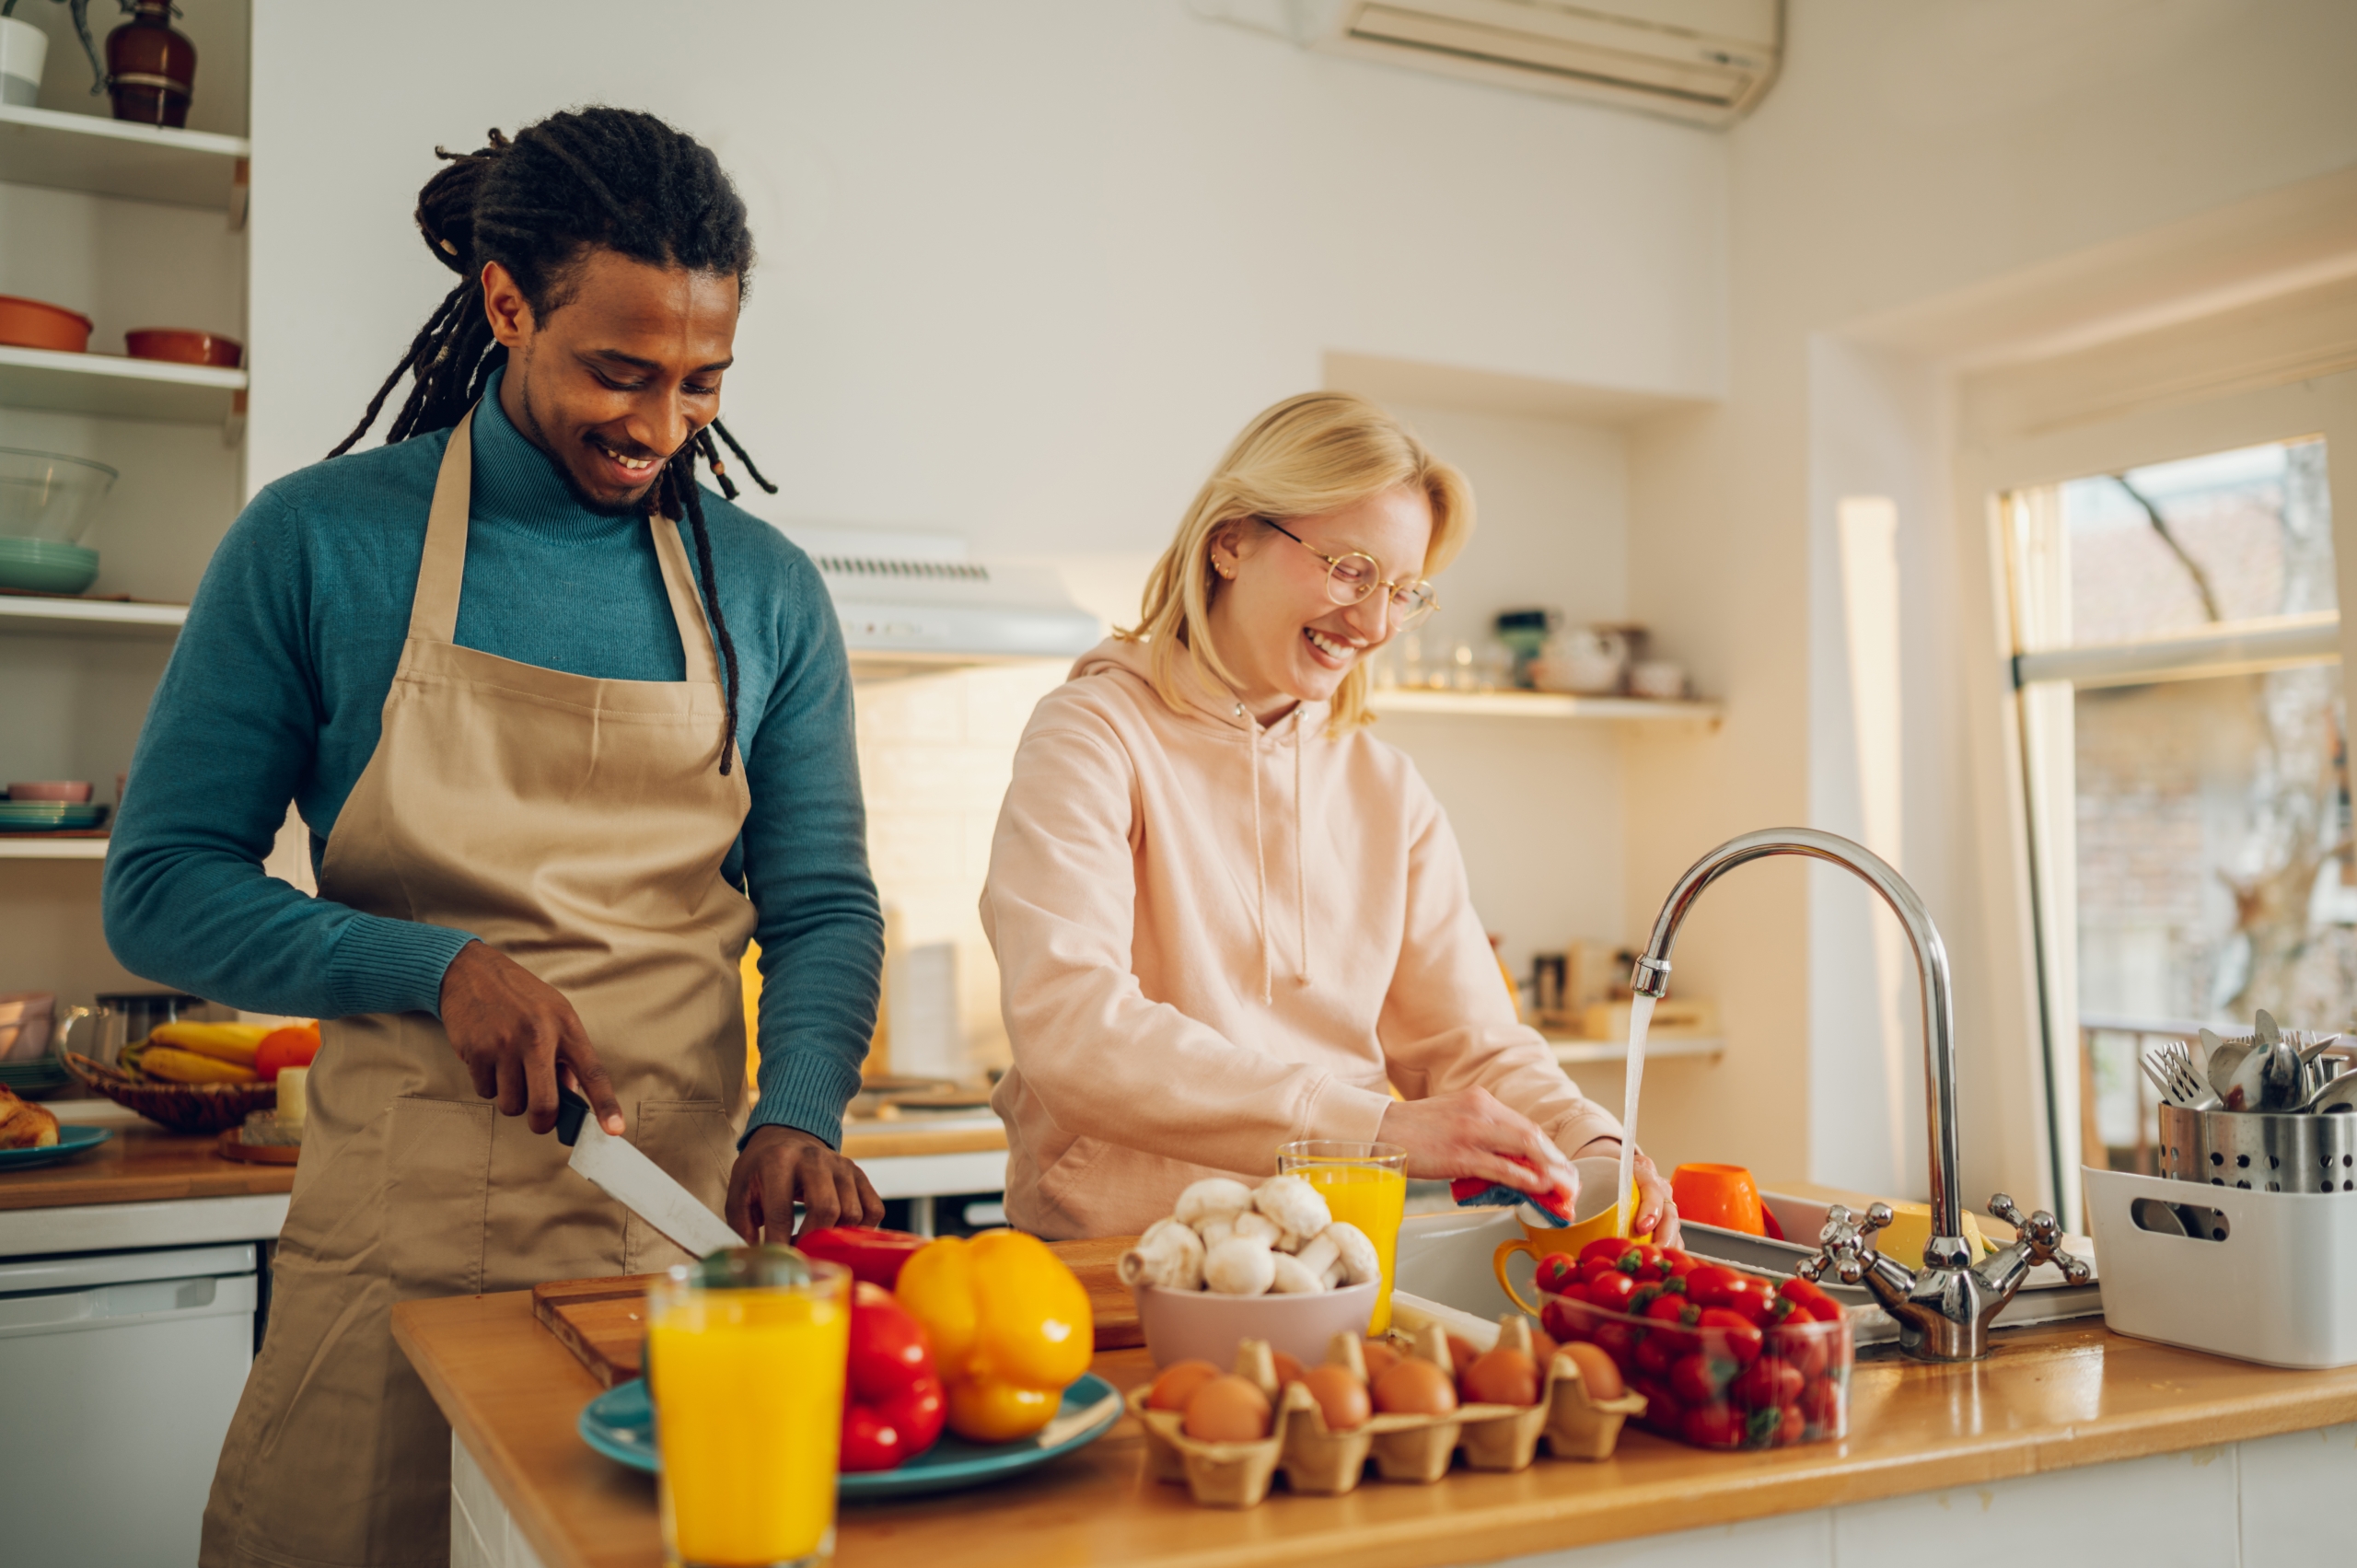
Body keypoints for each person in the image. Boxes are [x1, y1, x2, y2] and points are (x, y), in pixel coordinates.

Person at [101, 109, 885, 1568]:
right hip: (401, 1249)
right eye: (619, 371)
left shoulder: (766, 591)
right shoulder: (320, 539)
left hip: (685, 1255)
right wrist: (433, 961)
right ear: (507, 303)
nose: (659, 427)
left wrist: (805, 1106)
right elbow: (158, 887)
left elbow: (824, 898)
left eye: (703, 382)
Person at [981, 391, 1678, 1241]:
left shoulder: (1387, 788)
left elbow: (1472, 1044)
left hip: (1330, 1252)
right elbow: (1076, 1030)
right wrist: (1378, 1128)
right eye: (1350, 569)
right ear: (1230, 540)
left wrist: (1594, 1142)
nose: (1377, 621)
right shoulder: (1093, 734)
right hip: (1122, 1256)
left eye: (1405, 591)